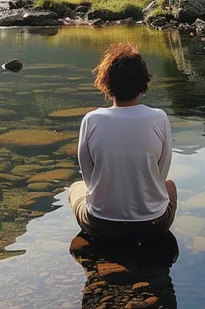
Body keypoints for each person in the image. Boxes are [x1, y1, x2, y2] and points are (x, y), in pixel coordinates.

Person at [68, 42, 177, 238]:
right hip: (153, 225)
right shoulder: (159, 117)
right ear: (143, 83)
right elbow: (160, 176)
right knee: (169, 185)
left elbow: (89, 179)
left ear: (106, 83)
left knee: (76, 187)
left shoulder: (92, 120)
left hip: (101, 225)